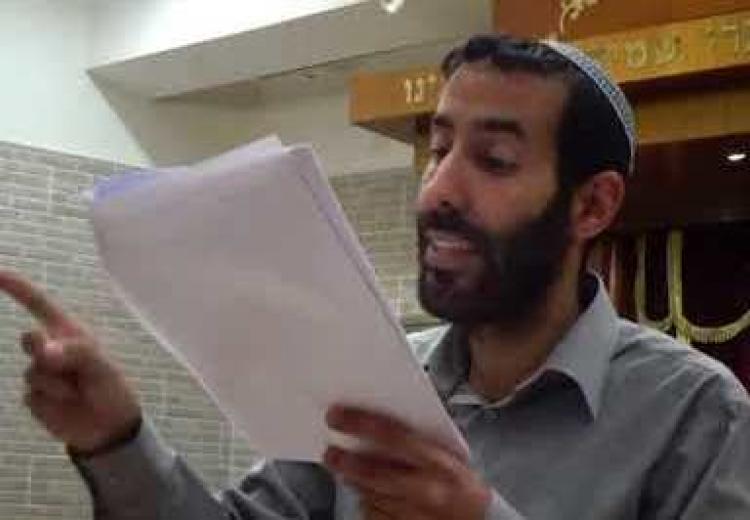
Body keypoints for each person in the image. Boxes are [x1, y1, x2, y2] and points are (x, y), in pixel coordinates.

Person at [4, 33, 750, 520]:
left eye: (494, 161)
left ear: (592, 205)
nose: (438, 192)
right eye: (438, 150)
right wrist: (115, 439)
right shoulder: (370, 379)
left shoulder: (694, 413)